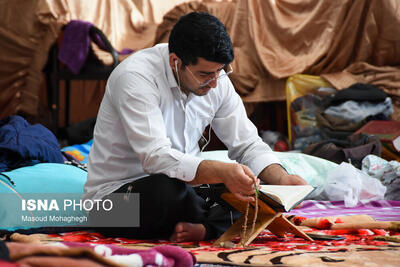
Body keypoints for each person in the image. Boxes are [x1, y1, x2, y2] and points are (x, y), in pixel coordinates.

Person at [84, 11, 307, 242]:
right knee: (168, 190)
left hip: (185, 192)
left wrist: (281, 180)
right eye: (205, 74)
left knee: (247, 191)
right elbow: (155, 158)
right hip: (112, 207)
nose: (213, 83)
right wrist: (221, 172)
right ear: (175, 62)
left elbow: (248, 144)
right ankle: (214, 224)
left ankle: (205, 228)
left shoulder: (216, 79)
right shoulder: (134, 77)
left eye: (220, 71)